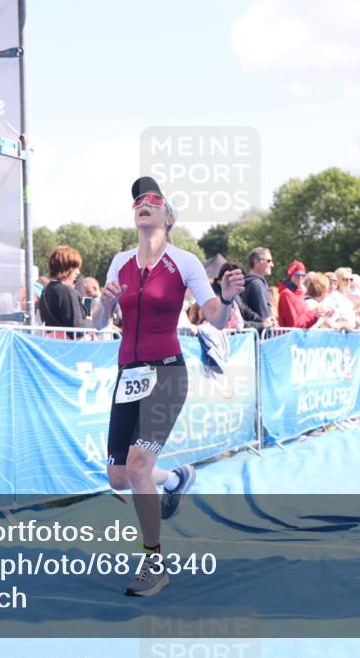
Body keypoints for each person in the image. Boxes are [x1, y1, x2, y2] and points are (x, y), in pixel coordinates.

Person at [90, 176, 243, 597]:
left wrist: (227, 298)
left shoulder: (185, 262)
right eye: (139, 200)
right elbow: (99, 324)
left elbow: (213, 316)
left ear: (168, 217)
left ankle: (153, 561)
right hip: (128, 376)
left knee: (138, 468)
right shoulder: (119, 261)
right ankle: (175, 481)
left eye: (153, 200)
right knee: (119, 477)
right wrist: (103, 304)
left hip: (167, 374)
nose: (144, 203)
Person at [38, 245, 91, 333]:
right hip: (69, 345)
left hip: (53, 343)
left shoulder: (46, 290)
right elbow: (77, 328)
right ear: (64, 268)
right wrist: (92, 323)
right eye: (74, 267)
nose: (78, 272)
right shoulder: (65, 291)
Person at [277, 260, 320, 328]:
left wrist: (318, 315)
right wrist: (313, 314)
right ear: (291, 276)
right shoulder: (286, 294)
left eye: (303, 275)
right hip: (289, 337)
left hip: (300, 336)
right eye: (297, 275)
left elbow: (304, 321)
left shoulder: (300, 293)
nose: (300, 278)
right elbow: (294, 324)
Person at [242, 247, 277, 329]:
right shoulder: (257, 284)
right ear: (256, 261)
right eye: (268, 261)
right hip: (259, 336)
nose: (272, 265)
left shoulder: (248, 282)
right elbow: (265, 316)